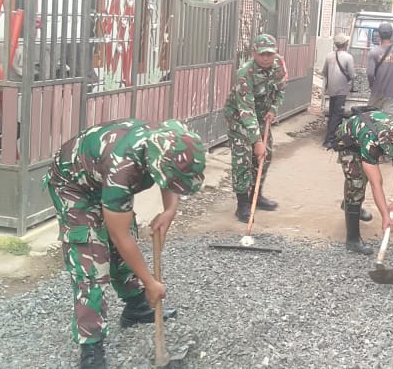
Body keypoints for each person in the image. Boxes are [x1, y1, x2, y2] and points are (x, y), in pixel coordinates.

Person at [44, 118, 207, 369]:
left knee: (122, 249)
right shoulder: (123, 167)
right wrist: (150, 282)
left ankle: (136, 306)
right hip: (74, 186)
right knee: (91, 259)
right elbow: (119, 235)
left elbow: (169, 177)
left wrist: (169, 210)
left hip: (104, 175)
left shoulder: (173, 139)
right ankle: (91, 346)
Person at [329, 109, 393, 254]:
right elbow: (376, 183)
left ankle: (350, 204)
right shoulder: (371, 140)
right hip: (349, 138)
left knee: (360, 180)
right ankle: (352, 240)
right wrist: (385, 216)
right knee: (356, 182)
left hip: (369, 133)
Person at [224, 34, 287, 222]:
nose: (266, 58)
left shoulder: (278, 66)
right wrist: (257, 141)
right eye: (262, 54)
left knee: (264, 157)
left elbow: (281, 89)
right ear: (254, 53)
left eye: (270, 54)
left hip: (260, 116)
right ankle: (243, 204)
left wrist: (273, 109)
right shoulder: (245, 74)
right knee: (243, 158)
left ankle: (256, 195)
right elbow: (246, 111)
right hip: (239, 118)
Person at [366, 22, 393, 115]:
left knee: (371, 119)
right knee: (390, 121)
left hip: (376, 92)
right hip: (392, 93)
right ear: (392, 34)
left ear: (379, 35)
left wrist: (372, 85)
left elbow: (370, 74)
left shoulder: (373, 52)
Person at [321, 33, 356, 149]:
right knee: (337, 115)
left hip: (331, 90)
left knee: (332, 114)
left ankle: (331, 137)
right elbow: (352, 75)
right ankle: (329, 140)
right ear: (345, 44)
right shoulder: (348, 57)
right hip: (341, 90)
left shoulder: (329, 56)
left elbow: (324, 72)